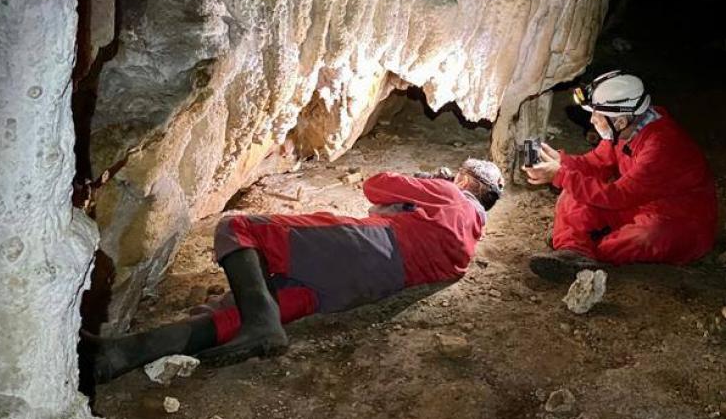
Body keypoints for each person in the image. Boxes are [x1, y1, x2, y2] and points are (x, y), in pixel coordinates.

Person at [87, 159, 503, 382]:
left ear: (468, 182)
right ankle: (120, 354)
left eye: (461, 175)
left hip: (372, 247)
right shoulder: (467, 242)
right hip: (366, 287)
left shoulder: (452, 194)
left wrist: (428, 181)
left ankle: (263, 326)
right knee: (242, 310)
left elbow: (376, 185)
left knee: (240, 227)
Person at [525, 70, 716, 280]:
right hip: (638, 204)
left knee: (642, 238)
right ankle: (572, 252)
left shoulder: (662, 146)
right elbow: (596, 163)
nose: (592, 119)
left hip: (678, 219)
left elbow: (618, 195)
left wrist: (560, 175)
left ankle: (589, 250)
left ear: (621, 121)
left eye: (598, 115)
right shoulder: (627, 130)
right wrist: (562, 163)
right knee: (573, 196)